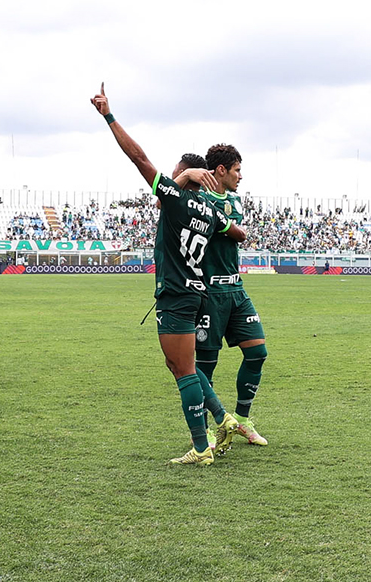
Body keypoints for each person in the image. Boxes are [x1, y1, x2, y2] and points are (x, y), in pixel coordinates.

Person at [91, 83, 246, 466]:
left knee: (183, 372)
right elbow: (236, 233)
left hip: (176, 295)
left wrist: (109, 116)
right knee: (181, 365)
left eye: (177, 170)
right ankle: (223, 417)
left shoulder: (175, 200)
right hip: (198, 293)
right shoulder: (211, 213)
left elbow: (138, 158)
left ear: (186, 175)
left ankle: (201, 446)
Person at [189, 144, 269, 447]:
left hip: (236, 289)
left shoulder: (234, 200)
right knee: (205, 367)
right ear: (220, 170)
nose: (240, 176)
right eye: (237, 170)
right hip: (209, 292)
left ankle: (243, 420)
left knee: (258, 352)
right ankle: (209, 430)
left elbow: (236, 232)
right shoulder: (197, 197)